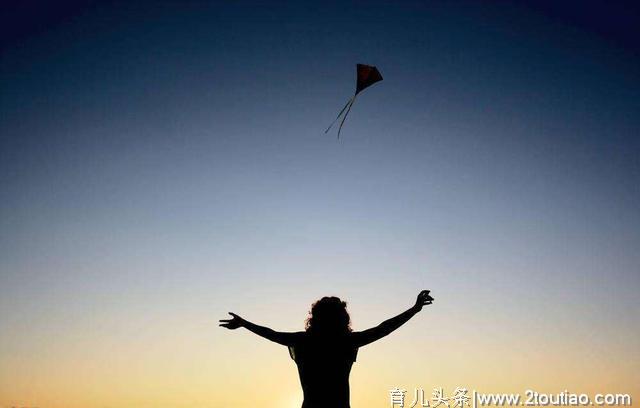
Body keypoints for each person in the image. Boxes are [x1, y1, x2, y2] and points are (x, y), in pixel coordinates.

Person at [219, 290, 434, 408]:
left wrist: (245, 324)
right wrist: (414, 310)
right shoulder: (346, 342)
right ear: (343, 319)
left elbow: (271, 333)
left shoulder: (303, 341)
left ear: (314, 318)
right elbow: (384, 329)